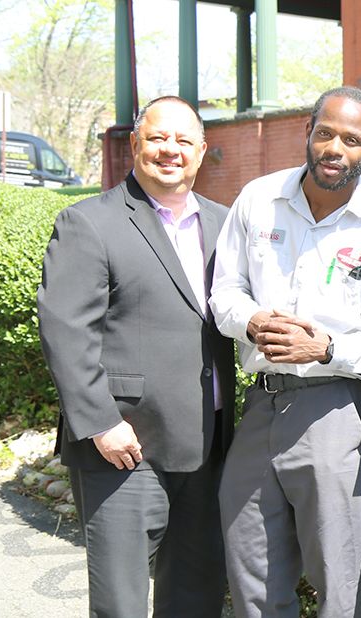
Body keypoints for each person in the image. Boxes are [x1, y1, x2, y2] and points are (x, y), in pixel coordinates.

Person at [209, 85, 361, 618]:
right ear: (308, 133)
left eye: (352, 139)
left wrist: (325, 348)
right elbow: (224, 290)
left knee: (336, 573)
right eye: (325, 133)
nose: (335, 148)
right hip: (261, 404)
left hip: (332, 410)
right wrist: (250, 322)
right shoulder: (257, 199)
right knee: (251, 561)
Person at [37, 96, 235, 618]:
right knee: (121, 603)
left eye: (184, 140)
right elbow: (65, 330)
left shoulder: (225, 224)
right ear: (135, 144)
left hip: (209, 442)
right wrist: (101, 422)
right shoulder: (88, 223)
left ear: (201, 151)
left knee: (196, 595)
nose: (171, 150)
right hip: (125, 446)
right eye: (157, 138)